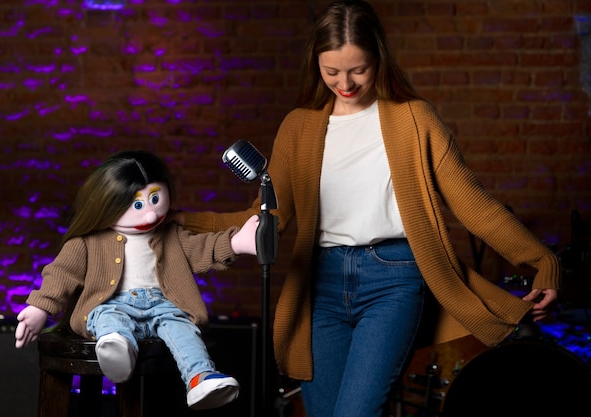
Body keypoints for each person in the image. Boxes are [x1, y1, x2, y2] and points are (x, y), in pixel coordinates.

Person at [174, 1, 560, 416]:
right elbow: (265, 216)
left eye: (358, 69)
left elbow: (474, 204)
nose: (346, 83)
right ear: (316, 64)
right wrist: (174, 222)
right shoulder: (298, 127)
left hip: (393, 281)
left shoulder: (415, 120)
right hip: (319, 283)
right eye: (332, 72)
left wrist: (542, 260)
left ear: (378, 56)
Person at [14, 150, 259, 411]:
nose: (151, 216)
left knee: (184, 331)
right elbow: (62, 272)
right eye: (138, 206)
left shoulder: (172, 235)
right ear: (108, 204)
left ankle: (201, 378)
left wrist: (235, 243)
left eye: (155, 198)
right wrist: (40, 307)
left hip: (165, 305)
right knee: (108, 319)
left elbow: (201, 248)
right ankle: (118, 350)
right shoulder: (88, 242)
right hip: (112, 303)